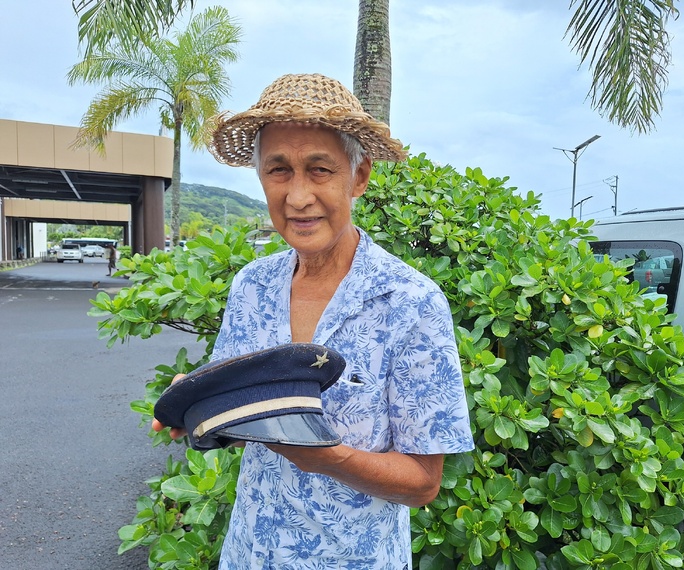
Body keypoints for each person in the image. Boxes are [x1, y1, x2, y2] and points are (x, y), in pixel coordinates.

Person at [153, 73, 474, 568]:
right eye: (278, 170)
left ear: (359, 176)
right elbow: (244, 418)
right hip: (251, 551)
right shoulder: (252, 287)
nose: (298, 196)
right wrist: (200, 405)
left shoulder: (410, 302)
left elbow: (423, 483)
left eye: (319, 169)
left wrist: (324, 456)